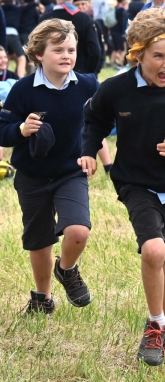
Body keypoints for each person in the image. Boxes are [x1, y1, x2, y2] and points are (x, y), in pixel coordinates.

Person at [79, 7, 165, 365]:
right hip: (136, 183)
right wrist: (88, 151)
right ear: (137, 55)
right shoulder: (116, 90)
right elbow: (93, 121)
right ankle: (155, 325)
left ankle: (162, 331)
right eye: (158, 56)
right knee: (153, 251)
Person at [0, 18, 98, 316]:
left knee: (79, 230)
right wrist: (21, 129)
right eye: (58, 50)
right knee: (39, 239)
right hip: (32, 175)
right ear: (38, 54)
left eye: (71, 49)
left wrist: (91, 150)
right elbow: (3, 129)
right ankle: (42, 298)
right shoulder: (22, 89)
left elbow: (102, 120)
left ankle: (66, 270)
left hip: (71, 172)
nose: (66, 55)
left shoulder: (88, 85)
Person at [39, 0, 101, 75]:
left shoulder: (44, 19)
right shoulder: (84, 19)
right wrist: (87, 71)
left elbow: (37, 49)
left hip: (51, 74)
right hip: (79, 74)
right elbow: (95, 51)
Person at [1, 0, 26, 78]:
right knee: (21, 58)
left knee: (4, 58)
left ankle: (3, 77)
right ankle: (19, 79)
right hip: (13, 35)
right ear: (13, 1)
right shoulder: (17, 9)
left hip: (2, 35)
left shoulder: (1, 9)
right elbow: (28, 7)